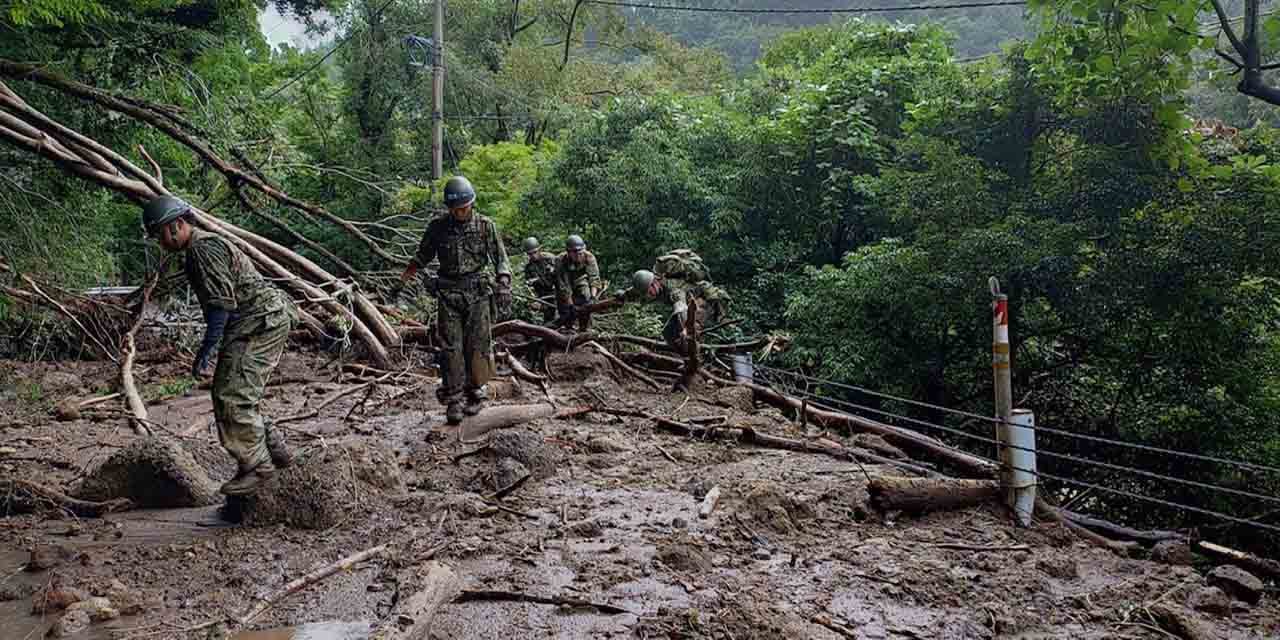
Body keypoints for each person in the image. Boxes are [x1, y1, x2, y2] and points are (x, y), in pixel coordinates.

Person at [141, 195, 296, 496]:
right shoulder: (200, 247)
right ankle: (275, 452)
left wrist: (208, 348)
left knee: (232, 394)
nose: (160, 242)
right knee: (235, 391)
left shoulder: (202, 248)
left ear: (177, 225)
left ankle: (259, 469)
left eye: (161, 234)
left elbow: (221, 304)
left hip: (260, 320)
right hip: (257, 319)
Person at [394, 176, 512, 426]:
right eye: (455, 209)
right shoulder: (438, 227)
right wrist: (403, 280)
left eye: (464, 208)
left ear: (472, 204)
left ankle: (475, 391)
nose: (460, 213)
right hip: (448, 294)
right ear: (449, 208)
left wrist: (503, 283)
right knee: (450, 348)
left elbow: (500, 258)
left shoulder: (485, 226)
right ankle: (454, 398)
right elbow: (422, 256)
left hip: (477, 293)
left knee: (478, 344)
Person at [625, 249, 730, 353]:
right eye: (645, 293)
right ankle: (682, 357)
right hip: (691, 304)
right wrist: (621, 296)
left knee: (689, 331)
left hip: (705, 301)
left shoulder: (672, 289)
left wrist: (685, 329)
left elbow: (681, 309)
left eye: (648, 291)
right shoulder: (652, 282)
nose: (648, 295)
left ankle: (696, 357)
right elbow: (632, 292)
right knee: (668, 333)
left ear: (653, 283)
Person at [554, 234, 600, 331]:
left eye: (580, 252)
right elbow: (564, 286)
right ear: (568, 252)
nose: (578, 255)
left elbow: (594, 278)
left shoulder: (589, 257)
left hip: (580, 279)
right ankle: (567, 328)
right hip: (565, 283)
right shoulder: (560, 261)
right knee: (564, 306)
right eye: (575, 252)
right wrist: (570, 304)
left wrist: (593, 297)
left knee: (586, 296)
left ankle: (585, 327)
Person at [521, 237, 559, 324]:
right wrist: (534, 300)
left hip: (557, 291)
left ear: (539, 250)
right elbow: (528, 287)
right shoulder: (529, 267)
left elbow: (562, 276)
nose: (533, 256)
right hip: (543, 295)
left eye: (535, 252)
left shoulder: (551, 259)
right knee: (548, 318)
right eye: (530, 254)